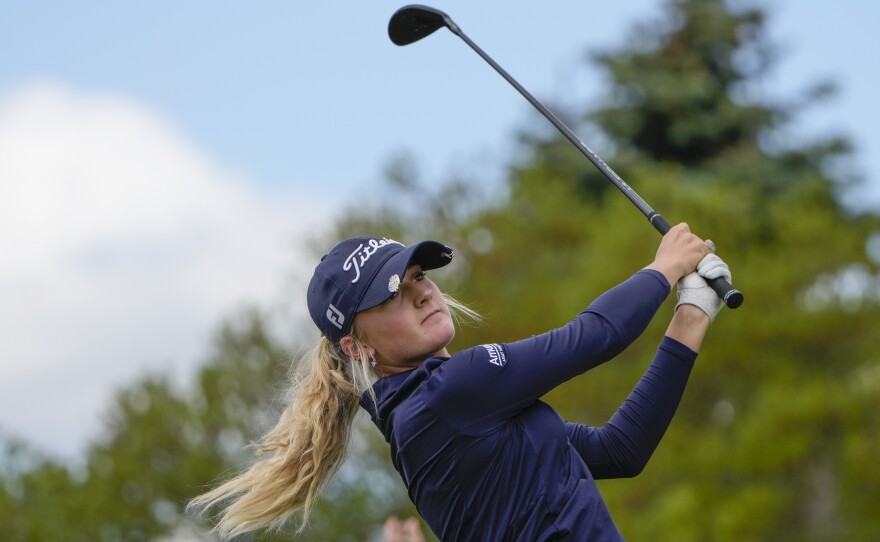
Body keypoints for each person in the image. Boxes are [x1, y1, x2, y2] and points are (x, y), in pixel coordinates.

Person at [188, 224, 731, 541]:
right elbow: (595, 336)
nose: (423, 293)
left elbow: (621, 450)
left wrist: (693, 310)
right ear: (357, 347)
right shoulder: (447, 397)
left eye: (419, 277)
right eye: (392, 295)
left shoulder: (444, 412)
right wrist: (664, 267)